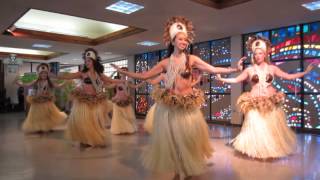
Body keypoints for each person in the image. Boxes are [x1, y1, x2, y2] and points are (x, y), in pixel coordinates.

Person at [112, 16, 245, 179]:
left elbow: (212, 68)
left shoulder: (192, 59)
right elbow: (145, 75)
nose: (184, 42)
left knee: (188, 139)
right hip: (171, 108)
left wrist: (234, 69)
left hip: (188, 107)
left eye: (186, 39)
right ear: (173, 41)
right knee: (174, 141)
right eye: (181, 39)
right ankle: (177, 170)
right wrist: (125, 73)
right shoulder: (166, 63)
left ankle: (186, 167)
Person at [216, 35, 315, 159]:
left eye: (260, 53)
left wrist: (305, 73)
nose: (258, 56)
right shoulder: (249, 70)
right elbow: (236, 79)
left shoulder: (272, 68)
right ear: (253, 55)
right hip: (254, 102)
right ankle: (255, 150)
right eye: (256, 53)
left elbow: (288, 77)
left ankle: (268, 149)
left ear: (265, 54)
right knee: (255, 126)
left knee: (269, 127)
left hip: (270, 102)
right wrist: (221, 78)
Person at [54, 48, 123, 147]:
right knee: (84, 122)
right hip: (84, 101)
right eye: (85, 61)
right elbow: (70, 76)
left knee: (94, 122)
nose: (86, 63)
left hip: (96, 101)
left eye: (89, 61)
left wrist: (121, 81)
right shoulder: (82, 73)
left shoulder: (99, 75)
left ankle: (93, 138)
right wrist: (58, 75)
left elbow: (110, 80)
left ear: (94, 62)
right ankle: (85, 138)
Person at [15, 63, 67, 133]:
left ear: (47, 74)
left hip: (47, 101)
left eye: (45, 74)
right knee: (38, 116)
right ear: (39, 74)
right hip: (38, 101)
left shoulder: (49, 82)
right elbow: (27, 85)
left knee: (47, 115)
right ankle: (39, 127)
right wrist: (18, 83)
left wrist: (64, 83)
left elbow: (57, 86)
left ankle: (48, 127)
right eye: (42, 74)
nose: (44, 75)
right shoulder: (36, 81)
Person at [109, 67, 145, 135]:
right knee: (118, 117)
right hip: (118, 100)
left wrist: (144, 81)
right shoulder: (117, 82)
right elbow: (109, 86)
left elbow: (135, 86)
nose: (124, 72)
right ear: (120, 72)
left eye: (125, 71)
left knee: (127, 117)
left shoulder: (128, 82)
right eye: (123, 71)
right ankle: (119, 129)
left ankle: (127, 129)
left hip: (126, 101)